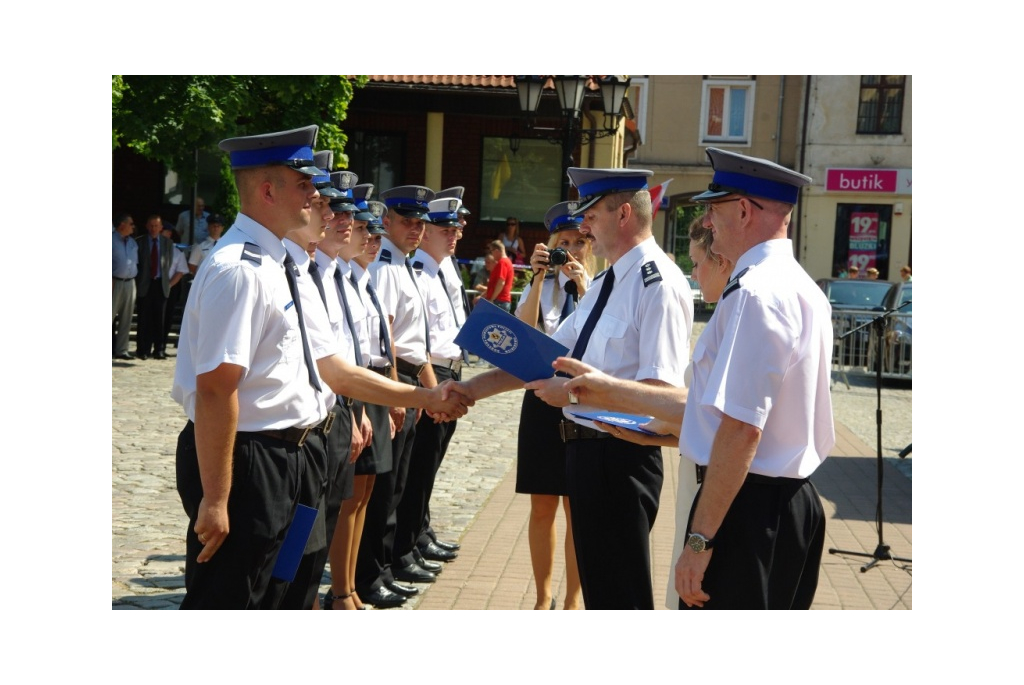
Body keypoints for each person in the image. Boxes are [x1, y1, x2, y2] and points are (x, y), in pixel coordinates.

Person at [557, 148, 834, 610]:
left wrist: (700, 541)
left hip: (746, 507)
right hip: (788, 504)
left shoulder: (755, 293)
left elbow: (742, 427)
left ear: (743, 210)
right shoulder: (801, 285)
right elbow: (716, 407)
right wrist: (609, 391)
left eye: (713, 208)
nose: (708, 221)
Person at [451, 167, 693, 609]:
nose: (581, 227)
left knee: (620, 600)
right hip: (584, 453)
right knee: (602, 595)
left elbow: (664, 394)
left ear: (623, 214)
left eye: (590, 216)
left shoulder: (657, 285)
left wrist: (576, 393)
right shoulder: (606, 282)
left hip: (621, 458)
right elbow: (543, 360)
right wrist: (469, 391)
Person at [171, 124, 333, 609]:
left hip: (295, 459)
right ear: (268, 190)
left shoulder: (277, 261)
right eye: (303, 184)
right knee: (230, 600)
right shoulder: (239, 270)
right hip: (248, 464)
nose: (315, 195)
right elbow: (217, 390)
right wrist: (217, 499)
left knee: (281, 592)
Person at [513, 200, 595, 610]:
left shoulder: (599, 286)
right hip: (541, 400)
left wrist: (585, 286)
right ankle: (543, 597)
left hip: (583, 401)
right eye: (565, 242)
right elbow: (521, 331)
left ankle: (572, 599)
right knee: (542, 503)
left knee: (576, 507)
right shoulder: (540, 286)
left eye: (581, 241)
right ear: (550, 244)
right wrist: (536, 277)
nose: (574, 250)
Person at [391, 197, 468, 581]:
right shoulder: (418, 271)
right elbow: (413, 341)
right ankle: (404, 544)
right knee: (416, 468)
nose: (454, 235)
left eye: (456, 228)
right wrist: (432, 387)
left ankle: (418, 533)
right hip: (428, 373)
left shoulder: (441, 270)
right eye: (446, 229)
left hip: (446, 370)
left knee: (427, 466)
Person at [135, 215, 183, 360]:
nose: (154, 229)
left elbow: (167, 264)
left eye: (156, 226)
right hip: (145, 283)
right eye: (151, 226)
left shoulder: (167, 243)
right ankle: (143, 349)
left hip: (161, 283)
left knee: (160, 319)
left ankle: (159, 349)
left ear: (161, 227)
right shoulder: (140, 242)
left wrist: (167, 283)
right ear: (147, 226)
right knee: (144, 318)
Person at [113, 214, 138, 360]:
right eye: (131, 223)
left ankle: (122, 350)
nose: (133, 226)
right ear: (122, 225)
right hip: (114, 282)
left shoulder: (133, 243)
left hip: (130, 283)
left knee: (126, 318)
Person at [482, 239, 514, 311]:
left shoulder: (502, 262)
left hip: (499, 301)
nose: (492, 254)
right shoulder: (506, 262)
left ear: (496, 251)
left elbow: (501, 282)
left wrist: (492, 299)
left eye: (491, 251)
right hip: (501, 301)